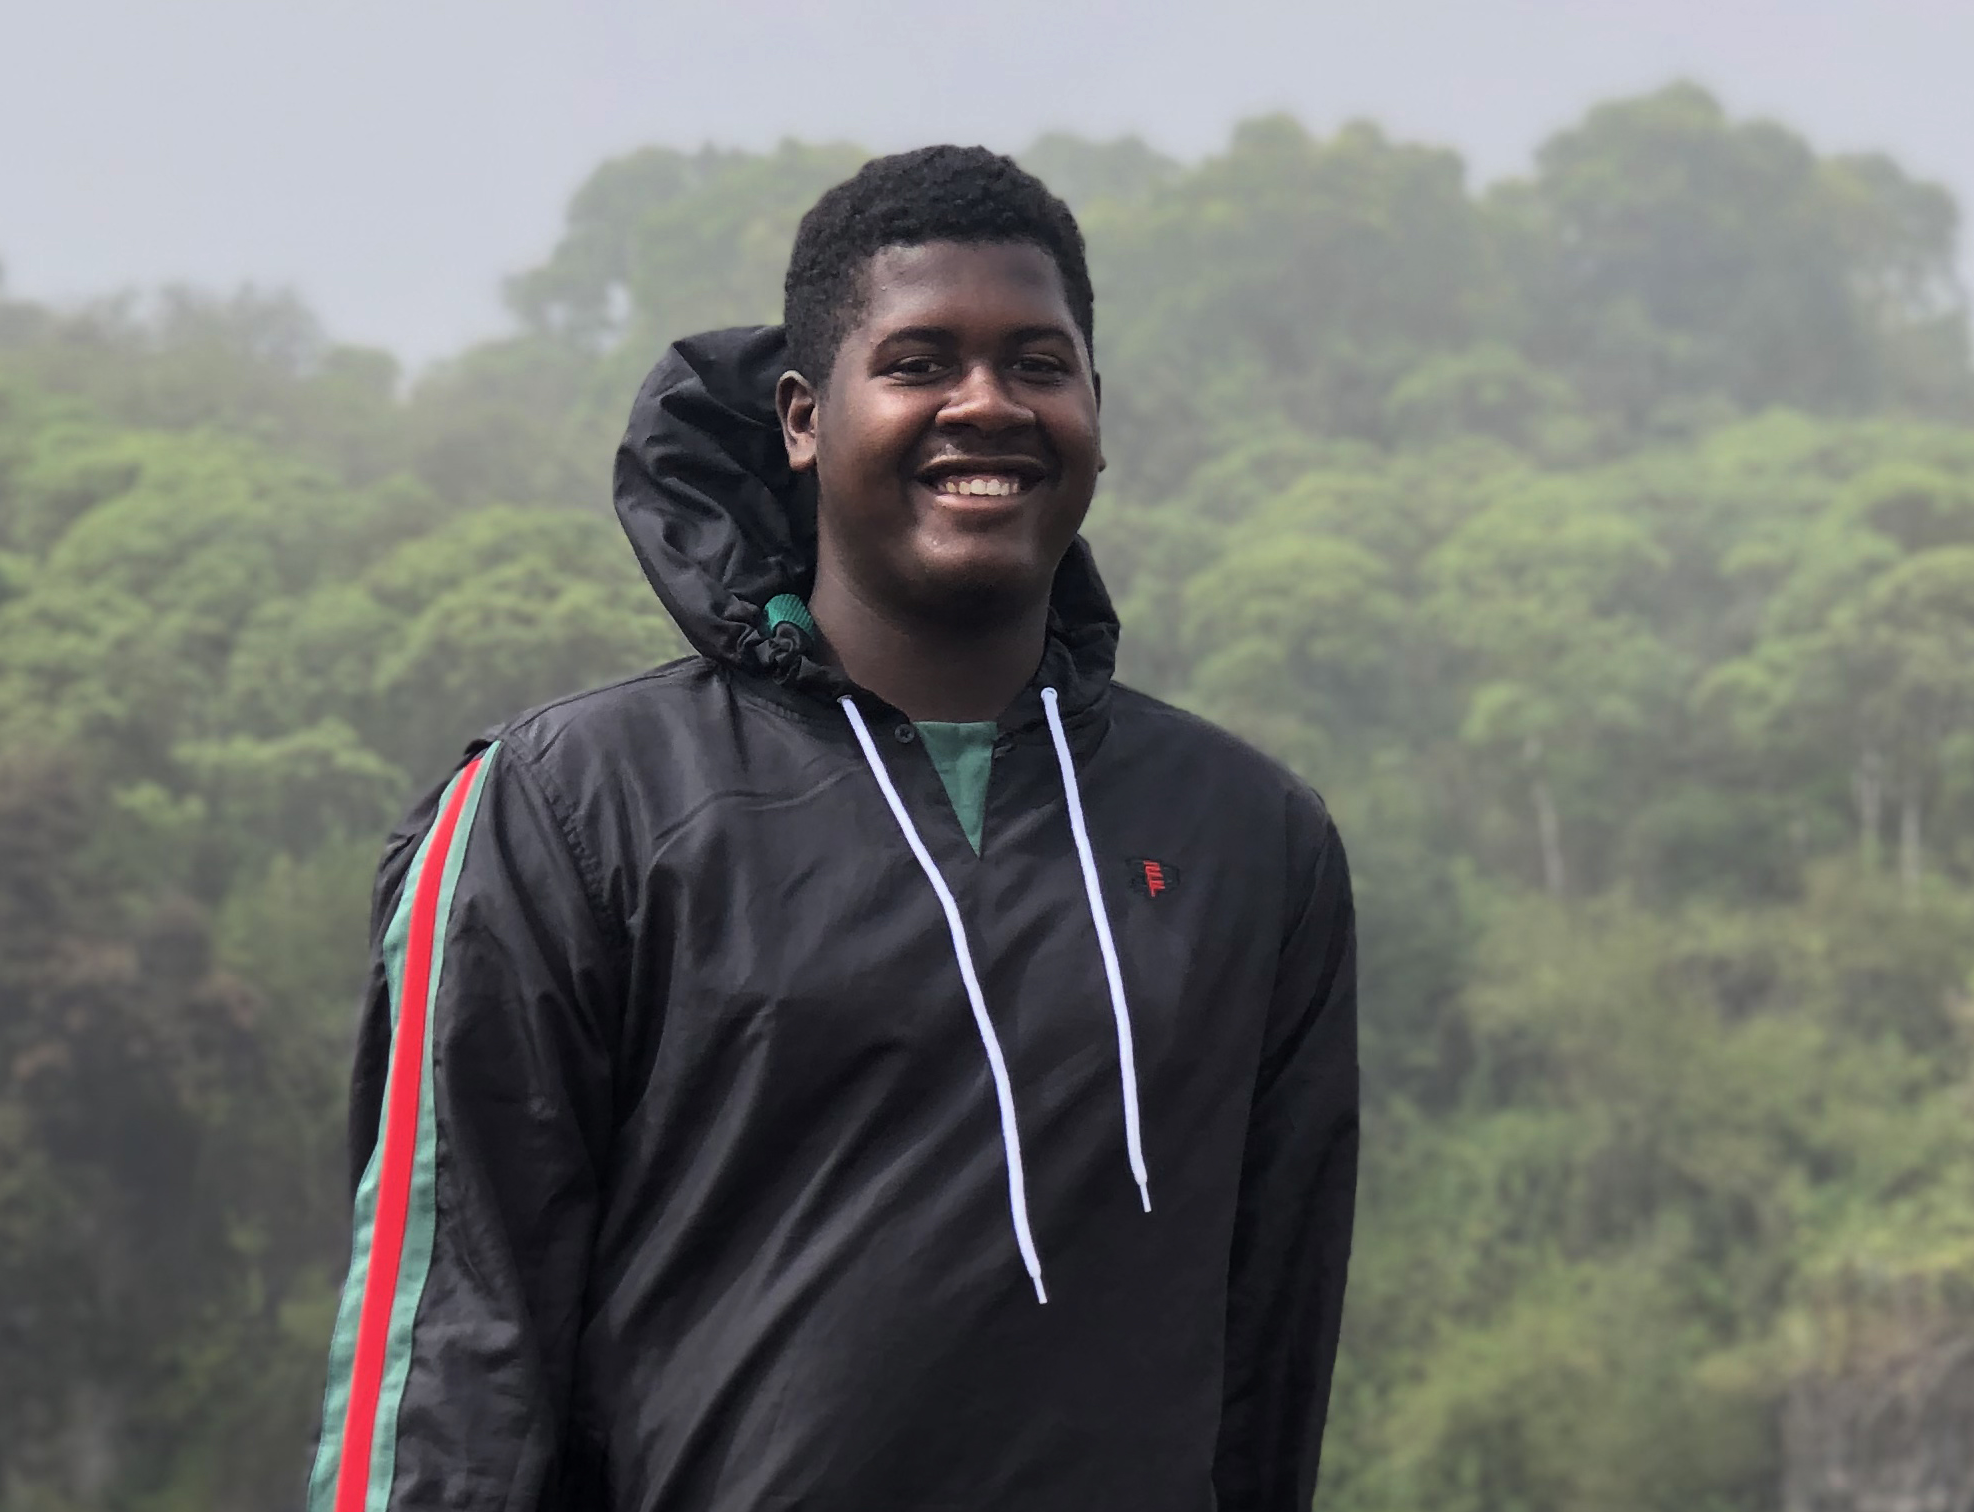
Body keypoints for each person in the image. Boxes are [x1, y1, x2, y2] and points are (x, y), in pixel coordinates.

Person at [305, 146, 1359, 1512]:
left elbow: (1270, 1364)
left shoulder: (1250, 842)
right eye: (921, 362)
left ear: (1097, 407)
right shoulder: (564, 809)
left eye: (1039, 364)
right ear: (803, 417)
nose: (987, 404)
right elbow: (448, 1356)